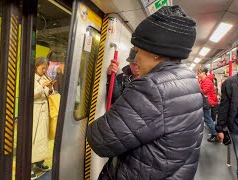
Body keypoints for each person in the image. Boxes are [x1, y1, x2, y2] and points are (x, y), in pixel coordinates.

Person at [87, 5, 203, 180]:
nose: (136, 57)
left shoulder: (152, 87)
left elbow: (100, 139)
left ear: (155, 53)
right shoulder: (188, 79)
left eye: (138, 50)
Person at [31, 57, 53, 179]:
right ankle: (29, 166)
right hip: (35, 111)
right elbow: (29, 94)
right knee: (33, 138)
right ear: (36, 66)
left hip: (44, 112)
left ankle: (39, 162)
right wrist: (42, 86)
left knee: (43, 138)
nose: (44, 70)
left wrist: (50, 88)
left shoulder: (45, 77)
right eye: (42, 68)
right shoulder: (30, 78)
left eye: (46, 68)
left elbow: (48, 93)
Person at [216, 73, 238, 178]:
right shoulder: (229, 83)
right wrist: (220, 128)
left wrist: (220, 128)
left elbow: (224, 107)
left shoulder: (229, 83)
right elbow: (224, 107)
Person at [197, 67, 218, 142]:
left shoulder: (207, 81)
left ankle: (214, 134)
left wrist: (195, 88)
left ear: (204, 73)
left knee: (208, 119)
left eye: (199, 73)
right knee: (209, 119)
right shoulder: (203, 81)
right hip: (207, 102)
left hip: (208, 103)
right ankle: (214, 133)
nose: (198, 74)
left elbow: (203, 91)